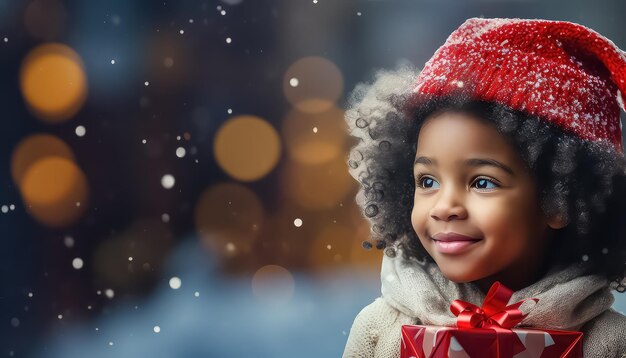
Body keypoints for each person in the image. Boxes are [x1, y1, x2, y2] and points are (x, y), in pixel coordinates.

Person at [342, 17, 626, 357]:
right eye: (427, 181)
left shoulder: (610, 342)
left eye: (482, 182)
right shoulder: (379, 329)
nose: (444, 206)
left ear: (560, 199)